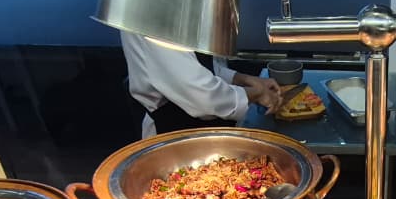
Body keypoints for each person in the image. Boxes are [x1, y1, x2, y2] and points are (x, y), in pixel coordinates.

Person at [120, 32, 283, 139]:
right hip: (173, 134)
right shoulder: (155, 12)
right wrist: (258, 93)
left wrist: (243, 79)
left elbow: (197, 64)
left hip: (208, 128)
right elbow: (204, 97)